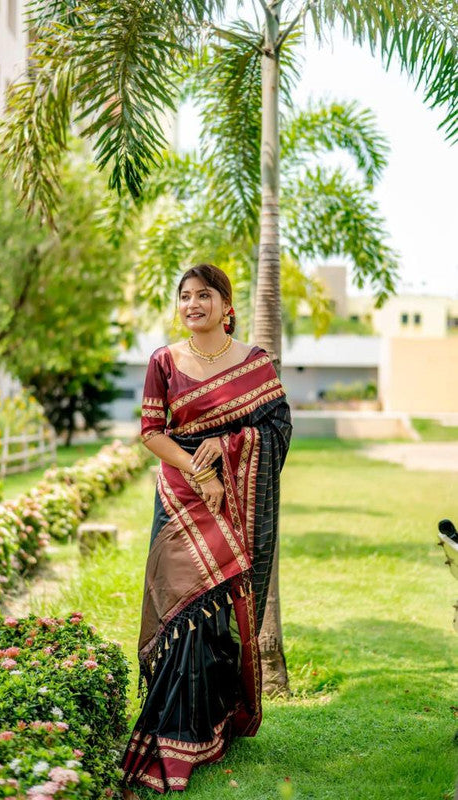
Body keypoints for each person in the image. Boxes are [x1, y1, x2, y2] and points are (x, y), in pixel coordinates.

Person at [121, 264, 292, 793]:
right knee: (182, 609)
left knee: (219, 614)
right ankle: (172, 732)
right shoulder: (164, 362)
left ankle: (212, 728)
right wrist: (199, 468)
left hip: (235, 502)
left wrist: (231, 444)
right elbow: (151, 432)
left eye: (204, 295)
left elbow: (277, 428)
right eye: (185, 296)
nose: (193, 304)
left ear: (226, 304)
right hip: (181, 498)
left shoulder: (256, 365)